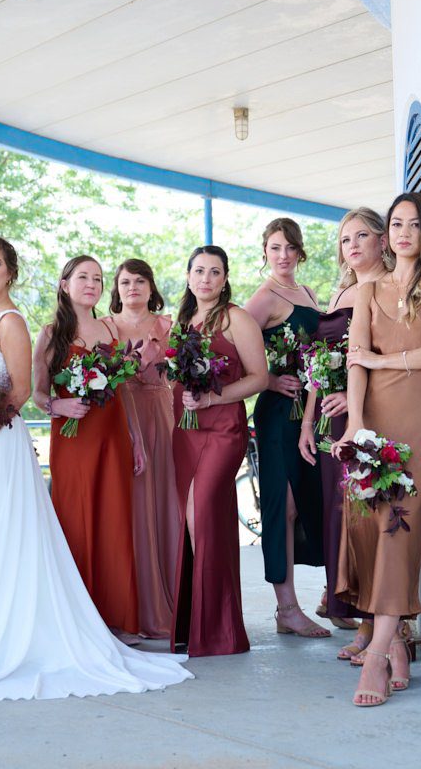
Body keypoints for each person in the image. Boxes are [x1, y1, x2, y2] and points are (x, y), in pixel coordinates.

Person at [0, 236, 193, 701]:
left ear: (10, 273)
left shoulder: (11, 321)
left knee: (4, 538)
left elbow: (21, 390)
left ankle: (10, 636)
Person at [334, 192, 421, 707]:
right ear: (387, 234)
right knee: (369, 525)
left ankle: (375, 656)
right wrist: (358, 424)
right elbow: (355, 361)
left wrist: (391, 361)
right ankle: (396, 645)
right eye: (395, 224)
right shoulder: (368, 290)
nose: (403, 232)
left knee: (399, 528)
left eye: (413, 224)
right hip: (376, 419)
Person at [34, 255, 146, 643]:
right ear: (65, 284)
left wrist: (135, 437)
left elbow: (123, 390)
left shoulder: (108, 329)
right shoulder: (51, 333)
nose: (92, 284)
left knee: (115, 520)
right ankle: (80, 619)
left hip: (112, 434)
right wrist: (58, 405)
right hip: (73, 436)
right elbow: (36, 392)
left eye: (97, 278)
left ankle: (116, 618)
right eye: (83, 277)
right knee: (78, 520)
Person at [298, 209, 389, 658]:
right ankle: (358, 617)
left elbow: (378, 356)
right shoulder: (340, 293)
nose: (351, 245)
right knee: (339, 518)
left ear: (382, 242)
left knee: (364, 519)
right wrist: (306, 423)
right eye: (344, 238)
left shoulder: (382, 289)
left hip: (367, 414)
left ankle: (374, 628)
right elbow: (321, 365)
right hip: (330, 418)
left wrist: (355, 405)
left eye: (362, 236)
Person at [170, 247, 267, 656]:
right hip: (185, 430)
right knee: (194, 523)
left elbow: (260, 377)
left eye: (215, 272)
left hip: (224, 428)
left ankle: (216, 630)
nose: (206, 278)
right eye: (199, 271)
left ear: (225, 278)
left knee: (203, 515)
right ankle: (193, 627)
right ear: (189, 277)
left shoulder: (236, 318)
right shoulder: (182, 322)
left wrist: (213, 399)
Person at [244, 218, 328, 638]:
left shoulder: (307, 293)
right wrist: (271, 379)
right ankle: (286, 609)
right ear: (265, 252)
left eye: (290, 248)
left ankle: (332, 596)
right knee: (286, 505)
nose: (283, 256)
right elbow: (235, 348)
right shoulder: (263, 298)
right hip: (278, 411)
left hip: (310, 411)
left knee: (314, 500)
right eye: (275, 248)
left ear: (299, 252)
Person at [103, 258, 177, 639]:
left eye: (140, 280)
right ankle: (128, 604)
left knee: (164, 504)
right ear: (116, 289)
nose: (133, 287)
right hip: (120, 416)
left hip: (162, 417)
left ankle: (165, 603)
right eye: (125, 281)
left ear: (151, 287)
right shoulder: (106, 327)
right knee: (127, 505)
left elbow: (182, 379)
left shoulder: (167, 326)